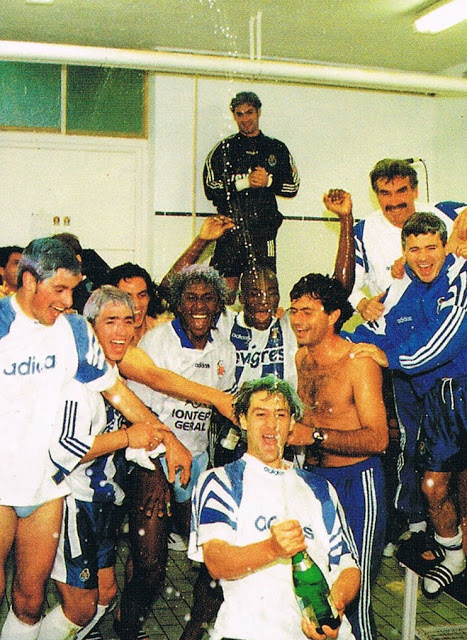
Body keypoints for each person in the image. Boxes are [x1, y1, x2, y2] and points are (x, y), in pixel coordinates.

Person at [0, 238, 190, 640]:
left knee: (31, 600)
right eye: (59, 289)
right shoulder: (2, 323)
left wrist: (168, 439)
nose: (68, 301)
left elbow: (116, 391)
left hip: (45, 485)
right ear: (29, 280)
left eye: (73, 290)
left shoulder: (73, 330)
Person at [324, 159, 467, 547]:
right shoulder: (366, 230)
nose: (394, 200)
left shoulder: (445, 214)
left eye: (402, 191)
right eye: (385, 193)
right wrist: (359, 307)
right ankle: (416, 527)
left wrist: (461, 238)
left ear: (415, 191)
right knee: (409, 445)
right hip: (398, 336)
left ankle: (450, 542)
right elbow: (347, 286)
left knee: (454, 469)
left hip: (446, 365)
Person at [348, 212, 467, 597]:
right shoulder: (401, 285)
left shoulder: (461, 277)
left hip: (462, 390)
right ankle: (453, 553)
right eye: (414, 249)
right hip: (437, 401)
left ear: (446, 246)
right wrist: (340, 346)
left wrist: (393, 358)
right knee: (432, 485)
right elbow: (376, 330)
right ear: (403, 252)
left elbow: (445, 339)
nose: (424, 257)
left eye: (431, 247)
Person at [189, 375, 361, 640]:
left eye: (281, 415)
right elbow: (217, 562)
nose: (271, 424)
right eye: (260, 414)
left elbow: (349, 567)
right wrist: (272, 549)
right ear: (243, 420)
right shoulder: (220, 481)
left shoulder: (320, 488)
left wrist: (332, 607)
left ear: (291, 423)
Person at [44, 286, 168, 640]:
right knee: (79, 607)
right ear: (90, 327)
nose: (121, 331)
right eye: (110, 321)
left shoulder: (117, 380)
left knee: (107, 594)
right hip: (73, 501)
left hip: (104, 504)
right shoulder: (79, 383)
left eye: (128, 321)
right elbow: (65, 450)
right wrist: (128, 438)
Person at [287, 274, 388, 640]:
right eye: (294, 310)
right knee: (317, 591)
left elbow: (378, 439)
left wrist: (314, 436)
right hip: (315, 483)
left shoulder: (358, 362)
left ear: (332, 316)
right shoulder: (302, 357)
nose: (298, 320)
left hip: (357, 482)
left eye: (308, 312)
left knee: (355, 599)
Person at [203, 91, 300, 301]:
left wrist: (269, 182)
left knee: (261, 290)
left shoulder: (276, 148)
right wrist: (245, 183)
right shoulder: (224, 149)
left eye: (249, 112)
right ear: (234, 116)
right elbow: (211, 188)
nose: (245, 119)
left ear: (258, 113)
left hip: (263, 234)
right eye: (240, 114)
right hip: (230, 232)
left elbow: (293, 186)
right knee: (223, 295)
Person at [106, 263, 168, 345]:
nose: (136, 304)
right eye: (128, 297)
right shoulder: (107, 339)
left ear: (149, 297)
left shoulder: (164, 329)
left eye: (142, 295)